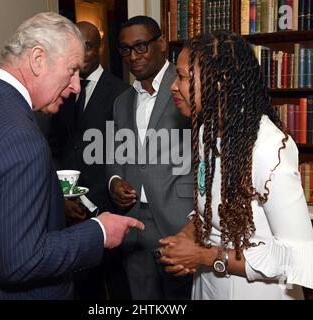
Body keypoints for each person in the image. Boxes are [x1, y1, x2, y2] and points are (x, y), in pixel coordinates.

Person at [0, 12, 144, 300]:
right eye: (72, 70)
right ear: (38, 59)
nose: (76, 85)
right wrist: (98, 231)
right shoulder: (20, 136)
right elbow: (20, 262)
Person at [159, 31, 313, 300]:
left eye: (182, 76)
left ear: (221, 82)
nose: (172, 86)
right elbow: (210, 208)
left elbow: (294, 258)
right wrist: (184, 238)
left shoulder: (269, 149)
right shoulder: (208, 132)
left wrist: (203, 255)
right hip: (209, 286)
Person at [106, 16, 193, 300]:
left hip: (179, 220)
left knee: (180, 299)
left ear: (162, 43)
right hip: (133, 223)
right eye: (125, 49)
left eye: (141, 46)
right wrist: (115, 181)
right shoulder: (122, 101)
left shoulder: (186, 86)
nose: (133, 56)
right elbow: (116, 152)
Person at [48, 21, 131, 300]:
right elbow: (55, 146)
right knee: (81, 285)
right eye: (78, 46)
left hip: (105, 205)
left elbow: (123, 152)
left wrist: (93, 200)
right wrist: (64, 197)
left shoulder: (120, 92)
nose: (84, 54)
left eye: (90, 46)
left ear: (100, 47)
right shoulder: (60, 88)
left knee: (117, 284)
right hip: (68, 206)